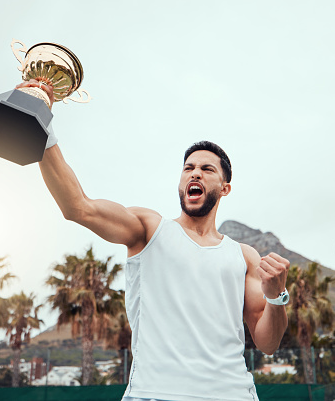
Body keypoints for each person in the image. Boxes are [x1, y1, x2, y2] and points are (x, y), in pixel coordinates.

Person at [17, 80, 290, 401]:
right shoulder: (149, 229)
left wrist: (276, 299)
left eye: (206, 169)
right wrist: (39, 121)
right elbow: (78, 207)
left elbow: (268, 344)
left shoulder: (244, 256)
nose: (195, 173)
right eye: (188, 168)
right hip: (155, 393)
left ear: (225, 187)